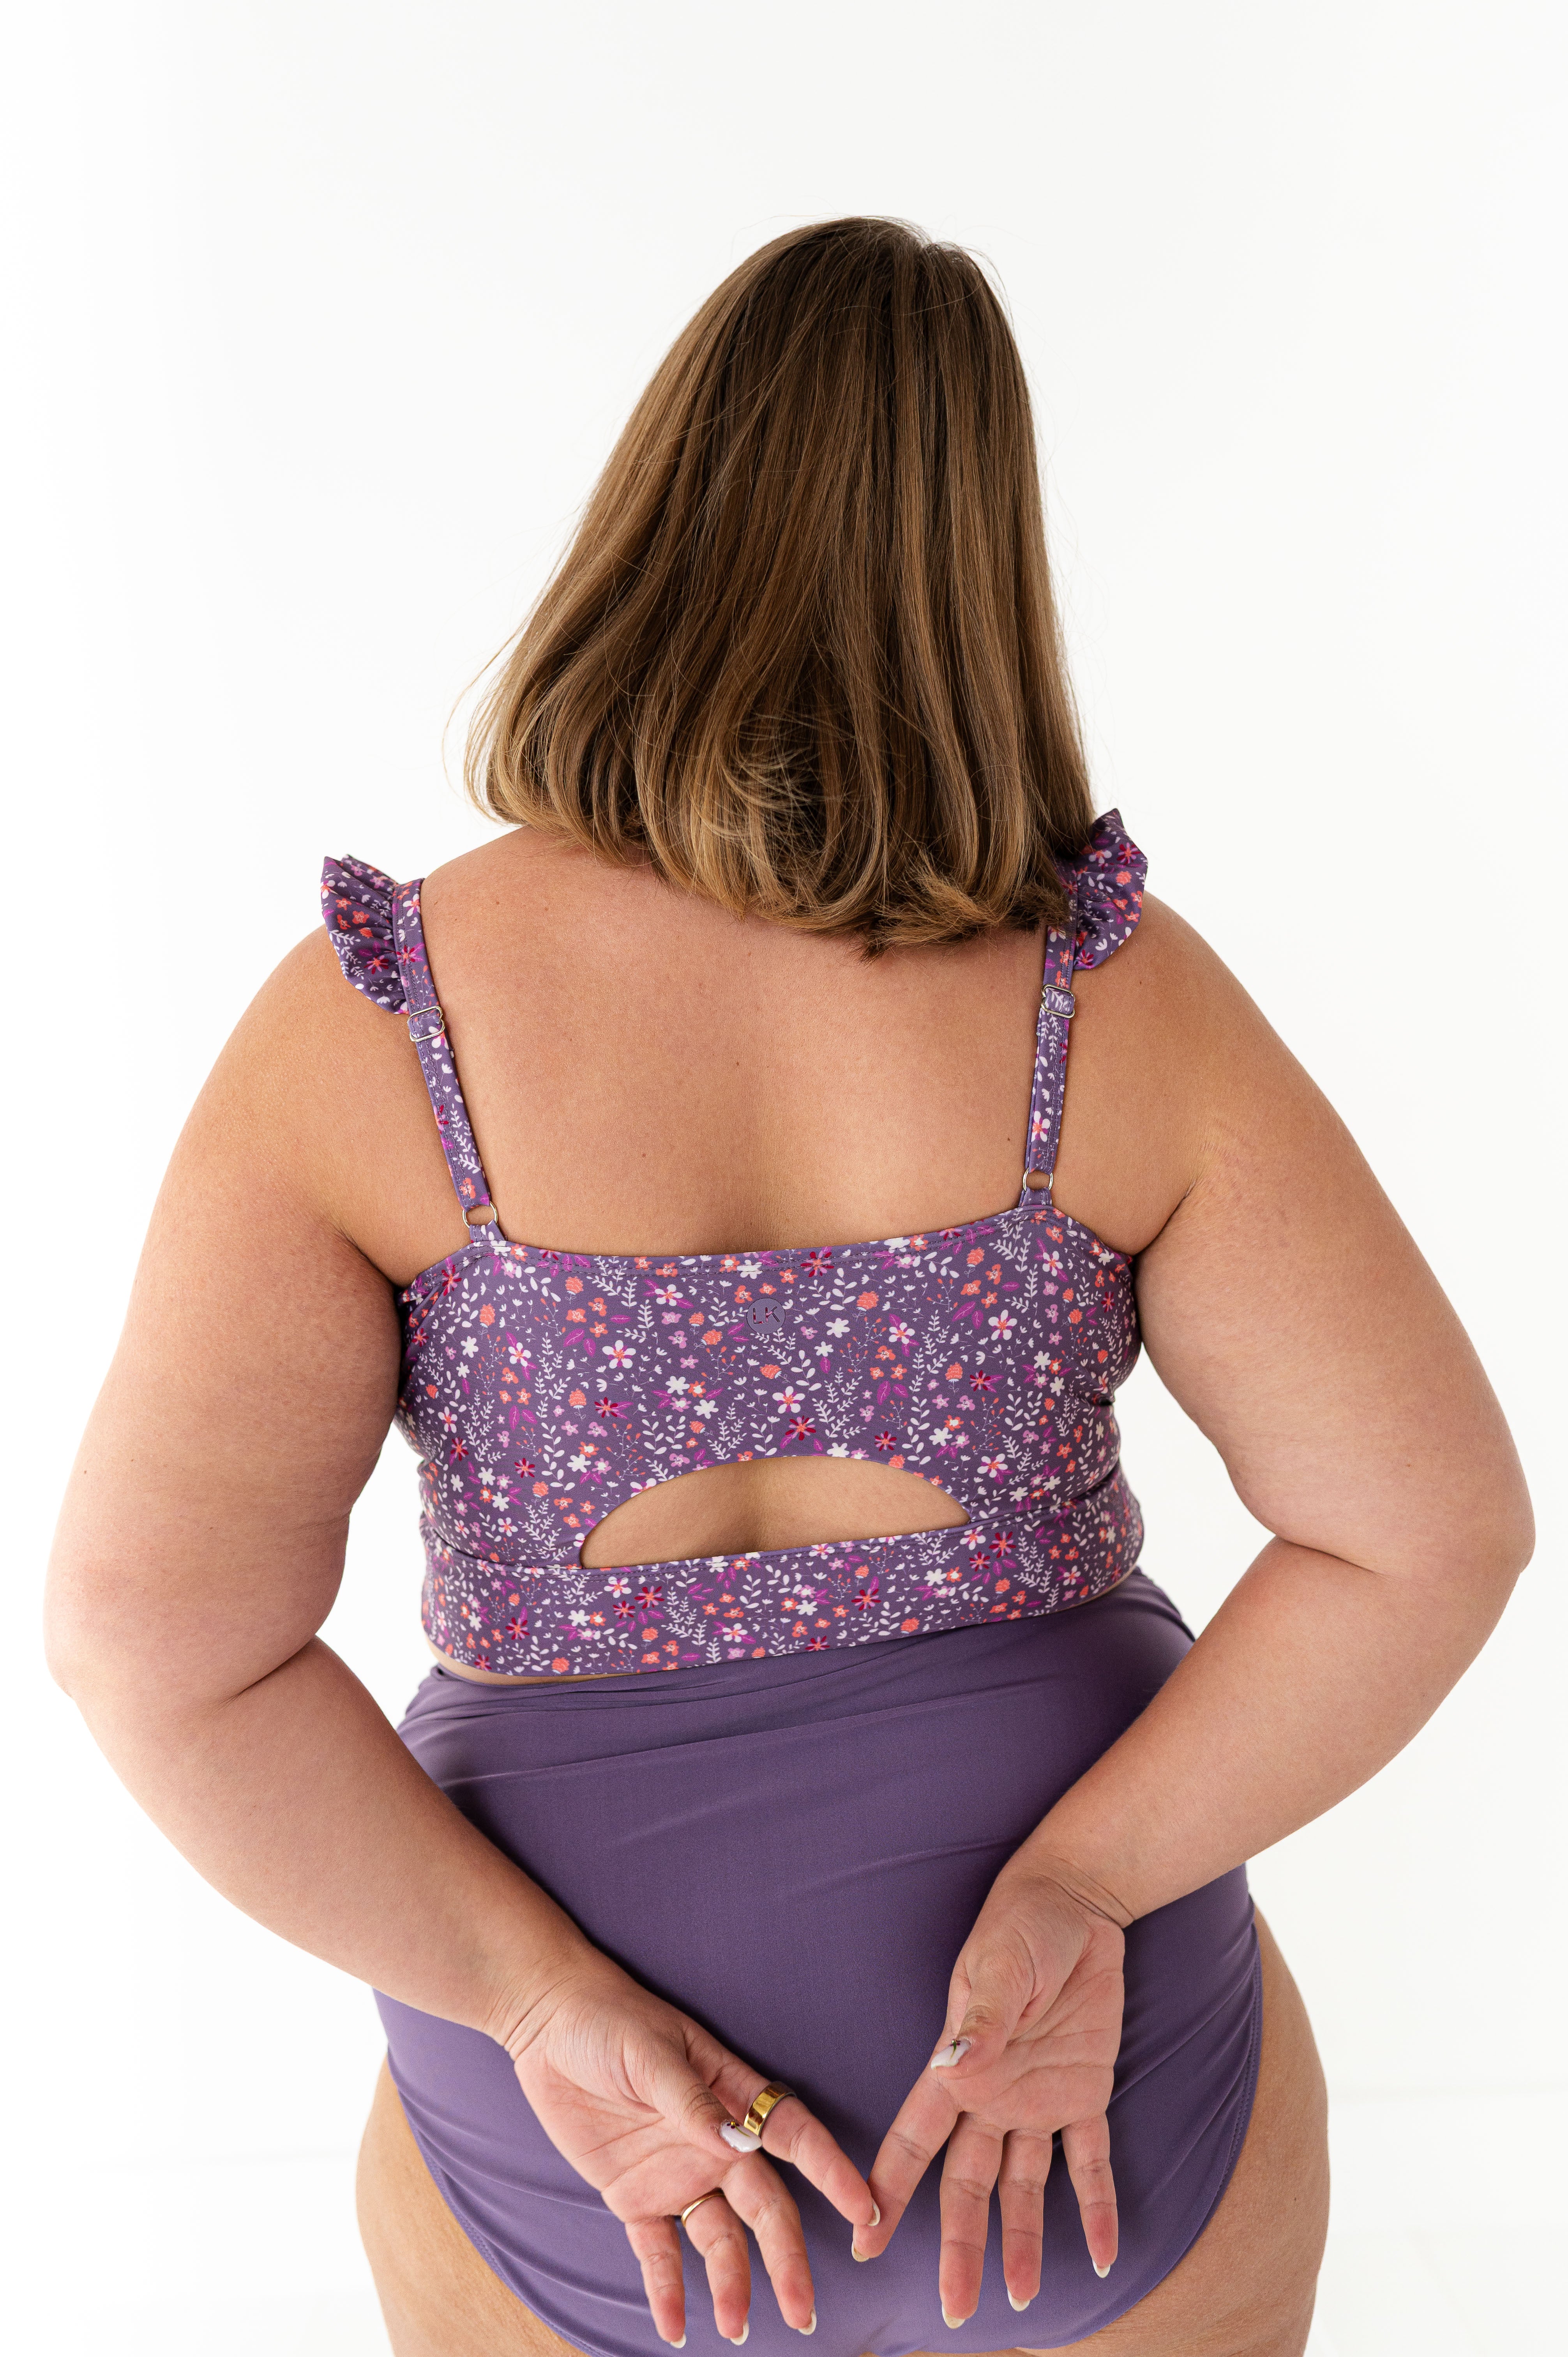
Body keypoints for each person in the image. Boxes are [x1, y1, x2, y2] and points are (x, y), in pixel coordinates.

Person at [46, 218, 1531, 2357]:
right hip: (1080, 2089)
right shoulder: (1111, 1002)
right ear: (983, 568)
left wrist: (533, 2002)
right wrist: (1083, 1885)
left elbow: (148, 1637)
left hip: (579, 2144)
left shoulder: (379, 1022)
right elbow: (1428, 1532)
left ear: (648, 522)